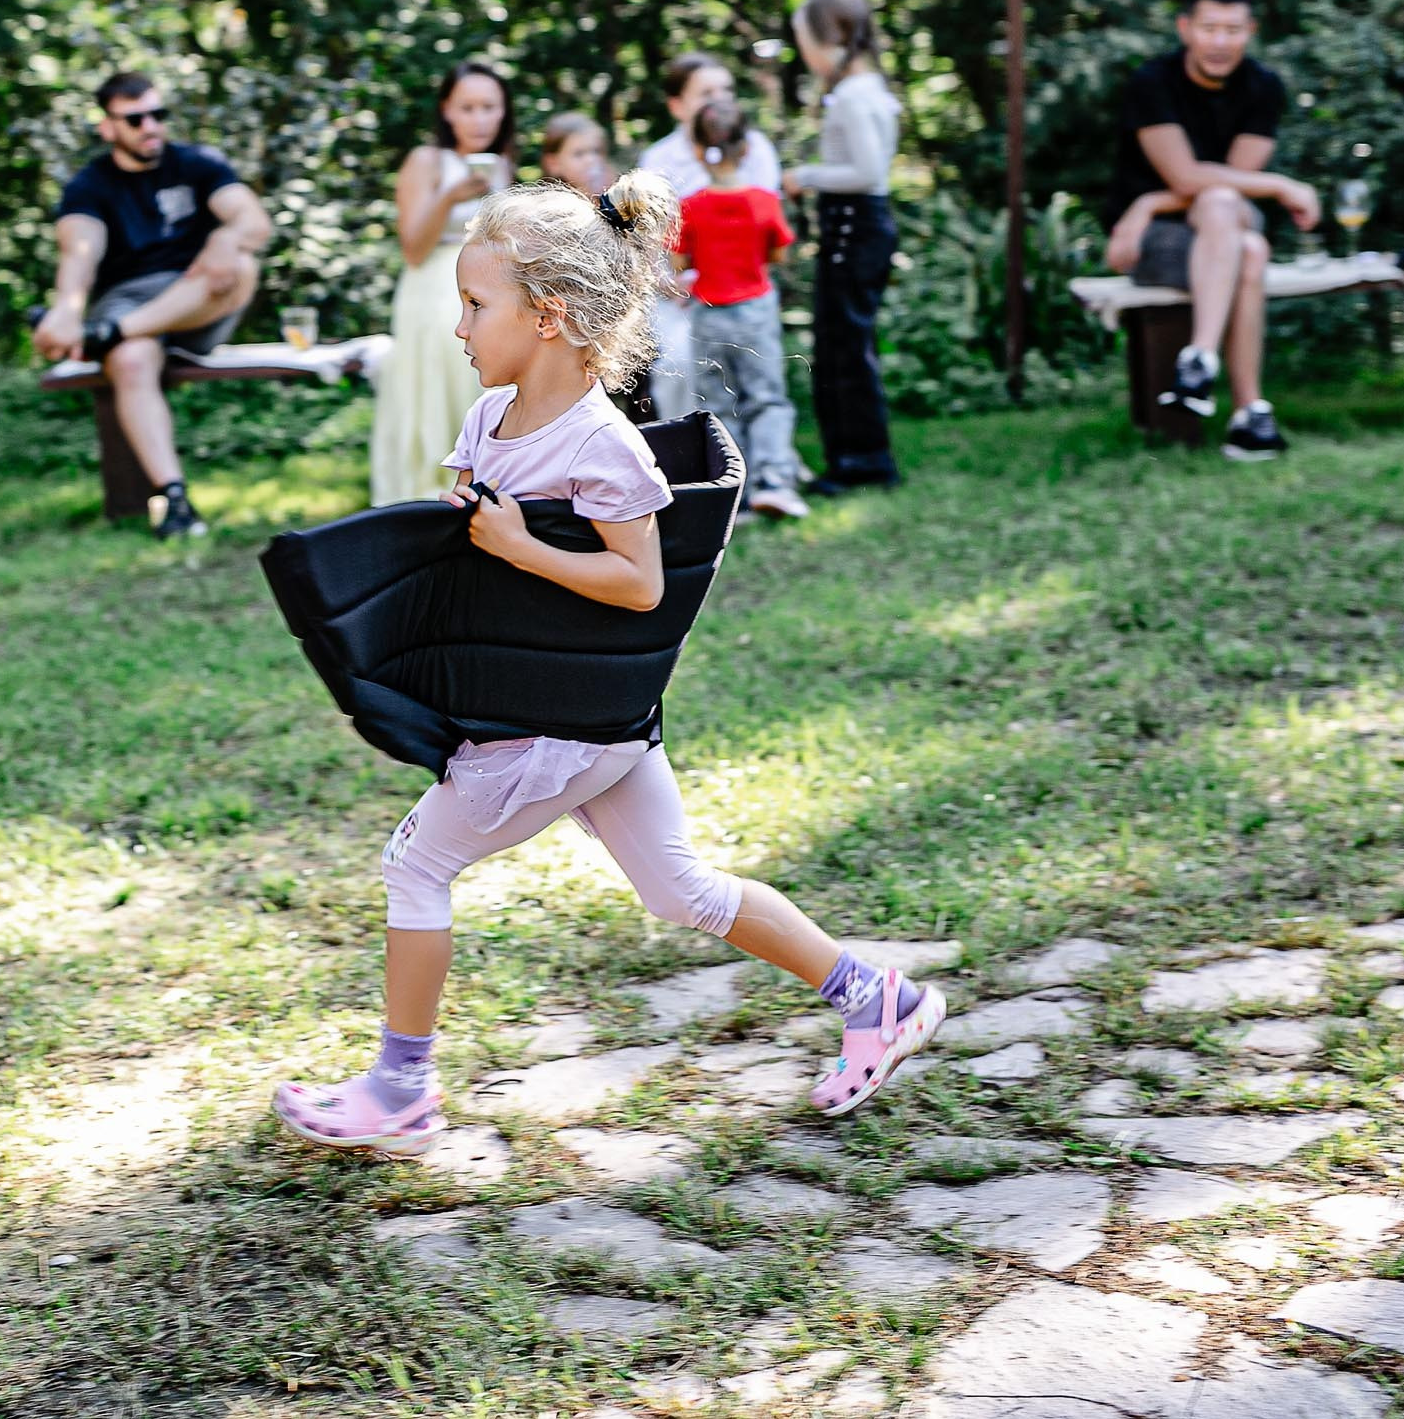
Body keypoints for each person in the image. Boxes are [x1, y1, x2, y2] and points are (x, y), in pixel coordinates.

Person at [268, 172, 947, 1157]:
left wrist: (520, 549)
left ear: (547, 317)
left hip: (557, 720)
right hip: (597, 718)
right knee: (684, 890)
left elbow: (640, 584)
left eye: (473, 304)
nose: (458, 325)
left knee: (416, 865)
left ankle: (402, 1089)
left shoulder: (604, 445)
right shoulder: (487, 420)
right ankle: (875, 996)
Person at [36, 72, 273, 539]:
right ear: (108, 127)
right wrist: (66, 310)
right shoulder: (89, 186)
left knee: (241, 265)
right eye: (135, 119)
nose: (150, 127)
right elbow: (79, 255)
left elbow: (253, 220)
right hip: (126, 301)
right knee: (129, 358)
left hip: (197, 300)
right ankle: (174, 498)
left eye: (158, 115)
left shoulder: (198, 163)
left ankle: (108, 336)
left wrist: (228, 238)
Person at [1103, 0, 1319, 461]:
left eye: (1232, 30)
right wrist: (1284, 186)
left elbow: (1225, 184)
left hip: (1209, 217)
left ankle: (1198, 361)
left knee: (1223, 206)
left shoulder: (1263, 87)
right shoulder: (1152, 83)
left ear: (1250, 32)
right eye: (1209, 28)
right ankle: (1249, 411)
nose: (1220, 42)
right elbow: (1186, 178)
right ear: (1185, 29)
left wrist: (1147, 202)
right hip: (1158, 241)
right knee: (1252, 250)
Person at [371, 61, 511, 506]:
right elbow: (412, 247)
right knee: (446, 355)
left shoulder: (504, 163)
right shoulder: (426, 161)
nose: (480, 118)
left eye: (489, 107)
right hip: (435, 278)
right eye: (468, 108)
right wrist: (450, 195)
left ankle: (493, 476)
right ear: (448, 111)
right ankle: (432, 479)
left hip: (493, 277)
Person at [787, 0, 904, 494]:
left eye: (805, 45)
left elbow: (867, 170)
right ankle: (857, 457)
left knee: (844, 345)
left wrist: (805, 176)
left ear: (830, 40)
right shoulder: (869, 89)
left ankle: (862, 462)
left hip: (854, 227)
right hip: (857, 228)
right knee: (843, 343)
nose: (804, 57)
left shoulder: (854, 98)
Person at [674, 98, 806, 518]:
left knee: (717, 401)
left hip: (708, 315)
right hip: (755, 311)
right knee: (766, 397)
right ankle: (774, 480)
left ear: (697, 150)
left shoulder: (690, 207)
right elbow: (781, 254)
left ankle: (734, 489)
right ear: (746, 148)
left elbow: (679, 263)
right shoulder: (764, 201)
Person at [638, 53, 782, 420]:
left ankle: (765, 451)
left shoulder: (756, 150)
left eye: (726, 89)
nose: (719, 99)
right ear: (677, 106)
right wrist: (670, 286)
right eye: (706, 92)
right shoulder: (658, 160)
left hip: (743, 292)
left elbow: (766, 241)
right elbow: (649, 244)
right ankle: (691, 452)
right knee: (680, 358)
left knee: (754, 358)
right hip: (678, 298)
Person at [535, 110, 610, 197]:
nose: (591, 160)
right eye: (579, 154)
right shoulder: (546, 206)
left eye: (596, 151)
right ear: (553, 163)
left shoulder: (613, 194)